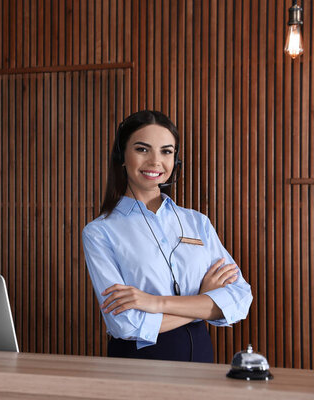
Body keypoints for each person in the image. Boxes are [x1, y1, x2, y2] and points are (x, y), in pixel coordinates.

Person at [82, 110, 252, 362]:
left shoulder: (197, 222)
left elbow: (240, 299)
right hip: (140, 362)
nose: (155, 161)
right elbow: (126, 325)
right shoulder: (100, 231)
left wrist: (154, 303)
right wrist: (204, 303)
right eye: (142, 149)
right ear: (122, 156)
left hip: (201, 358)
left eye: (166, 151)